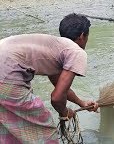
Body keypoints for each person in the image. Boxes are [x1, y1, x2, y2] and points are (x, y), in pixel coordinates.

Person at [0, 13, 99, 143]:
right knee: (45, 128)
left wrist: (81, 103)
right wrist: (64, 112)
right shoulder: (76, 52)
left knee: (10, 127)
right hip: (6, 78)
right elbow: (56, 97)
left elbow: (59, 86)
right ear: (82, 36)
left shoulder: (54, 47)